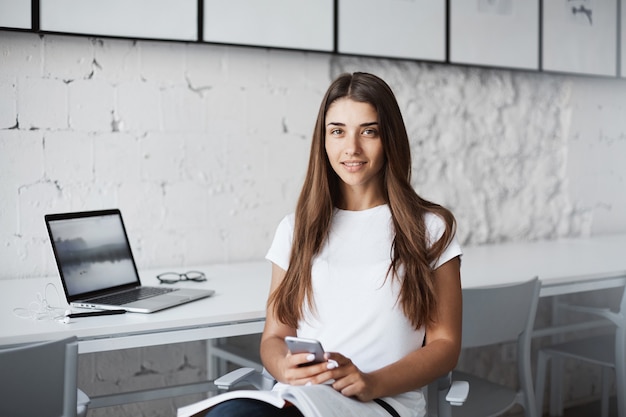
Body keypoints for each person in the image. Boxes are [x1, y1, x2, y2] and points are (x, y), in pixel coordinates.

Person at [206, 72, 462, 417]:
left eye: (368, 131)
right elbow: (275, 336)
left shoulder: (429, 229)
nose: (351, 148)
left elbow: (445, 345)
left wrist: (372, 381)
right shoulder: (296, 230)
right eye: (337, 131)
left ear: (391, 139)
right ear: (323, 140)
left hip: (380, 402)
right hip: (301, 399)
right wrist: (283, 368)